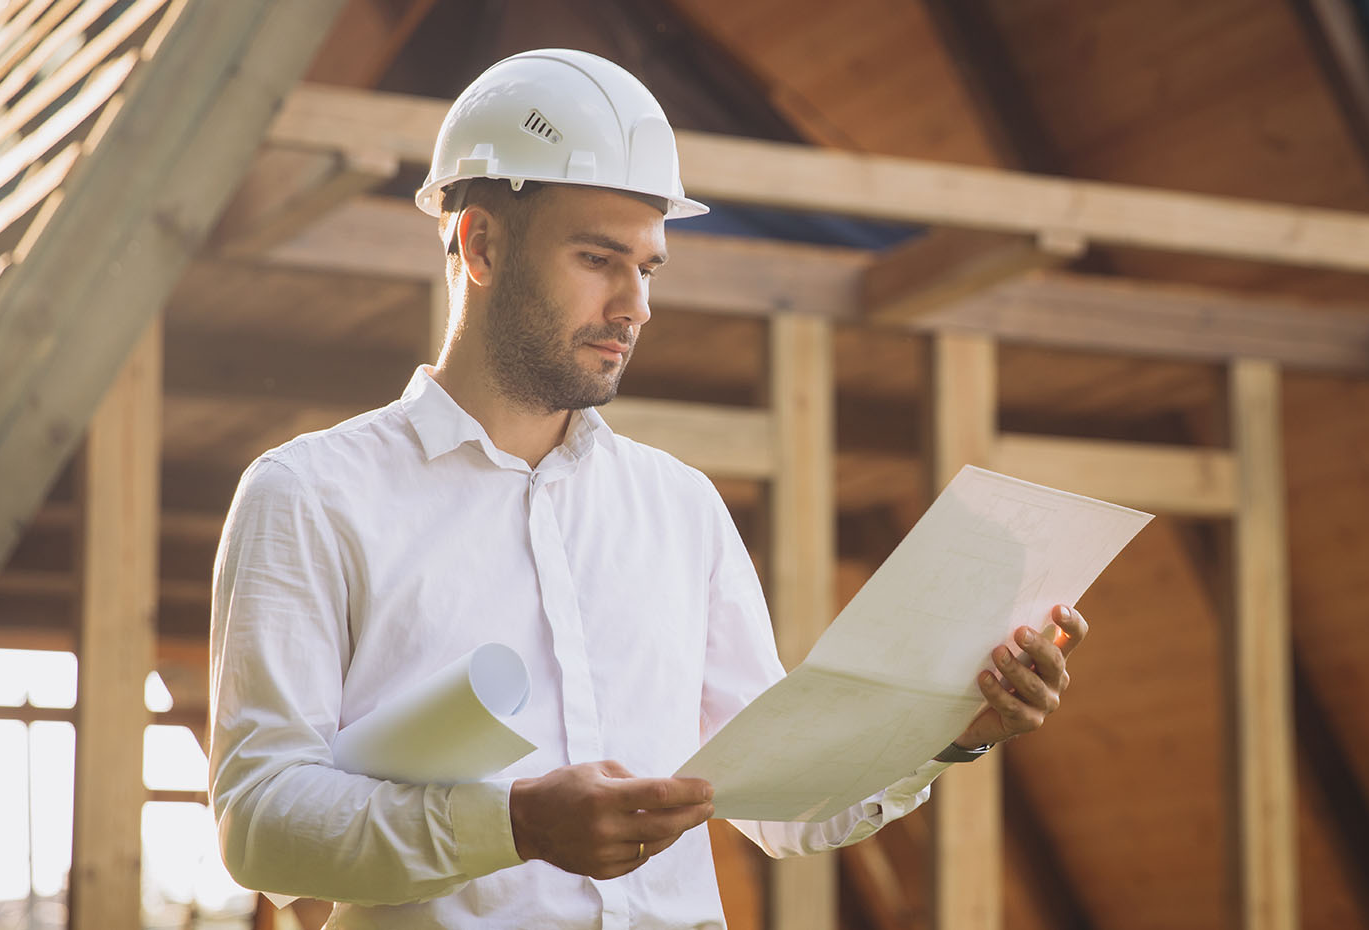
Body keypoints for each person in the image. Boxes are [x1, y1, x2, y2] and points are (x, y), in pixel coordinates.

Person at [206, 49, 1087, 929]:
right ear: (479, 244)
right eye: (598, 259)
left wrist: (952, 728)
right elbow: (260, 828)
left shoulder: (682, 511)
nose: (636, 306)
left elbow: (781, 801)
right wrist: (511, 826)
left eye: (649, 267)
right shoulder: (309, 496)